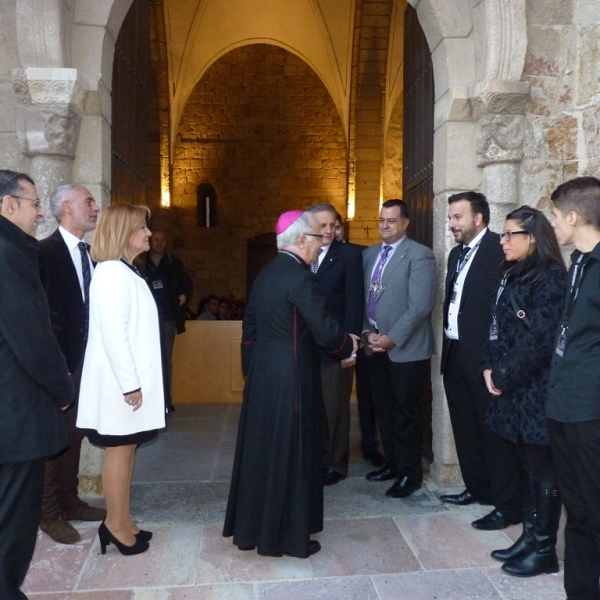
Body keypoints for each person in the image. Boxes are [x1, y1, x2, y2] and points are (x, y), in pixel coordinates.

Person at [223, 210, 358, 558]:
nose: (320, 244)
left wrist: (253, 369)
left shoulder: (266, 273)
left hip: (266, 376)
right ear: (300, 241)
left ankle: (256, 528)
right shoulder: (301, 277)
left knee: (265, 452)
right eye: (316, 238)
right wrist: (348, 346)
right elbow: (326, 328)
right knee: (294, 454)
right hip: (294, 376)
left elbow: (249, 328)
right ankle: (287, 536)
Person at [0, 170, 73, 599]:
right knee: (14, 518)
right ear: (8, 205)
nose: (39, 212)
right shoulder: (8, 255)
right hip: (15, 410)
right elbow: (31, 337)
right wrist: (63, 388)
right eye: (32, 203)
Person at [76, 204, 166, 556]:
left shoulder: (126, 271)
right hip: (120, 385)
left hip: (128, 382)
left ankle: (123, 519)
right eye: (141, 228)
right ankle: (113, 525)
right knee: (119, 450)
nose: (148, 233)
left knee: (128, 450)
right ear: (123, 233)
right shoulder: (112, 272)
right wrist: (131, 384)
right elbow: (115, 334)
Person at [481, 206, 566, 577]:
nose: (503, 241)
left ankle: (544, 549)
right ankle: (530, 538)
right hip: (512, 387)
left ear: (533, 238)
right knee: (527, 465)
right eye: (503, 234)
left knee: (542, 469)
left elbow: (540, 341)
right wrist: (488, 365)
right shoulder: (513, 274)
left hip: (535, 388)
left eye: (510, 234)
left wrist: (503, 375)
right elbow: (495, 324)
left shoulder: (550, 279)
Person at [440, 192, 523, 530]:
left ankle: (506, 504)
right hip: (455, 351)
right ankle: (477, 488)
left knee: (492, 433)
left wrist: (496, 359)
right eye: (450, 218)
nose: (451, 224)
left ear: (478, 218)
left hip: (484, 358)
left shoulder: (497, 251)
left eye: (457, 217)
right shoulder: (456, 254)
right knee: (465, 426)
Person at [37, 185, 106, 545]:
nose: (95, 207)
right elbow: (40, 315)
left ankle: (69, 499)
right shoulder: (43, 253)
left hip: (86, 361)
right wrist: (55, 364)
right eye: (88, 202)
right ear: (66, 207)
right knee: (53, 436)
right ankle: (48, 513)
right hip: (60, 361)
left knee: (75, 433)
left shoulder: (89, 254)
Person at [546, 176, 600, 599]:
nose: (553, 226)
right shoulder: (577, 262)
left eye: (554, 217)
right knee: (577, 510)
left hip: (591, 411)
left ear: (573, 216)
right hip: (563, 403)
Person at [361, 199, 436, 498]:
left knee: (407, 413)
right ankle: (392, 464)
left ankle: (410, 474)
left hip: (406, 349)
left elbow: (420, 306)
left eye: (391, 220)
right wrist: (367, 333)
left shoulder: (420, 255)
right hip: (374, 346)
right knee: (384, 410)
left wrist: (392, 337)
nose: (385, 225)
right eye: (382, 220)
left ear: (405, 223)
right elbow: (364, 300)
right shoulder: (368, 255)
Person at [307, 204, 364, 486]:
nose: (328, 230)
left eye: (333, 225)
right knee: (313, 408)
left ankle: (336, 464)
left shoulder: (350, 255)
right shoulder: (304, 254)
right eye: (323, 226)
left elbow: (355, 303)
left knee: (335, 409)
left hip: (337, 347)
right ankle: (316, 457)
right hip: (306, 348)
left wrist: (351, 348)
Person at [333, 211, 383, 465]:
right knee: (335, 399)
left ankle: (370, 445)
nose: (334, 232)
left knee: (368, 393)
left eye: (337, 227)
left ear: (343, 228)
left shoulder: (362, 254)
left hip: (363, 334)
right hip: (336, 338)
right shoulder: (316, 258)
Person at [142, 230, 193, 411]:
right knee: (146, 360)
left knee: (165, 360)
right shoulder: (141, 262)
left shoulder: (174, 263)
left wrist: (184, 295)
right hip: (144, 321)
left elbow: (187, 283)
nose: (159, 243)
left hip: (167, 320)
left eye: (162, 240)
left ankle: (165, 401)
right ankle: (148, 401)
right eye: (155, 239)